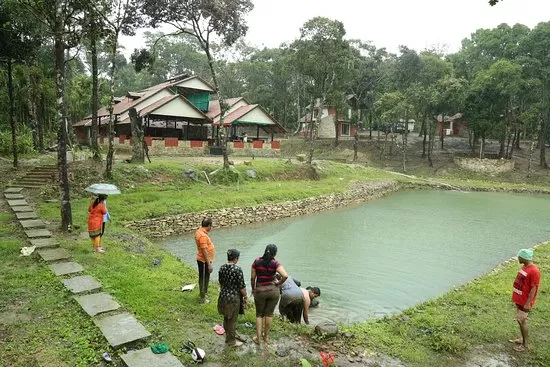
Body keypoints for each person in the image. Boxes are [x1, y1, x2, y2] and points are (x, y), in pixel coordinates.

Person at [251, 244, 288, 345]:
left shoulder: (256, 261)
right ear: (275, 253)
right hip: (273, 291)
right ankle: (266, 337)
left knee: (259, 315)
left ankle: (258, 339)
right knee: (269, 314)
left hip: (260, 291)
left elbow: (253, 278)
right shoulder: (275, 263)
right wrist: (278, 283)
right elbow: (285, 275)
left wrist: (253, 289)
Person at [509, 248, 541, 352]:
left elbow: (534, 288)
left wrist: (528, 303)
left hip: (525, 302)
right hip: (519, 299)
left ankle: (525, 344)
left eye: (519, 257)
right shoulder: (525, 267)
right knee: (520, 321)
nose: (518, 258)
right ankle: (522, 339)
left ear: (524, 258)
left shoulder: (534, 271)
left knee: (521, 320)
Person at [217, 249, 247, 348]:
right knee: (233, 320)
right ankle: (231, 342)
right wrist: (246, 296)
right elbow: (241, 287)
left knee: (226, 318)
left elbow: (221, 282)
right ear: (236, 259)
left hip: (223, 296)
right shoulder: (237, 269)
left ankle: (228, 337)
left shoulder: (222, 268)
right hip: (233, 298)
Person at [195, 217, 215, 303]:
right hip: (204, 261)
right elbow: (204, 251)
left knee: (203, 277)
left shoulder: (199, 231)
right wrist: (209, 264)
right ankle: (202, 298)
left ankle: (203, 294)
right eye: (211, 226)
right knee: (204, 278)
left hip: (203, 260)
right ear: (209, 225)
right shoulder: (203, 236)